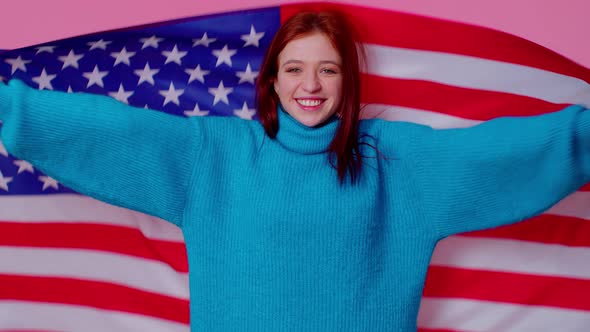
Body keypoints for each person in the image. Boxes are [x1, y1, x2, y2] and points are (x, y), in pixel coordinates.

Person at [0, 10, 589, 332]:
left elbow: (506, 150)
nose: (310, 86)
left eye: (328, 70)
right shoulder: (216, 155)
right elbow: (113, 131)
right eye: (295, 69)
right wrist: (10, 108)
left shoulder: (399, 163)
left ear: (347, 82)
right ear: (273, 80)